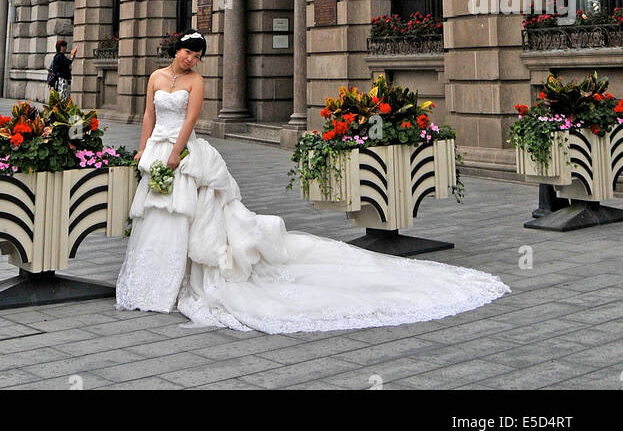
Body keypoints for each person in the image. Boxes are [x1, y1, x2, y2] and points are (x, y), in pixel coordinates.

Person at [116, 32, 510, 334]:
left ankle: (186, 278)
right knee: (157, 213)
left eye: (198, 56)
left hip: (183, 152)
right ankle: (154, 284)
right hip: (155, 149)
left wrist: (175, 153)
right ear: (177, 50)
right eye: (189, 53)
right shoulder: (155, 77)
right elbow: (150, 116)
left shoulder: (196, 82)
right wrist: (142, 148)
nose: (192, 60)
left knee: (190, 210)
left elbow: (190, 121)